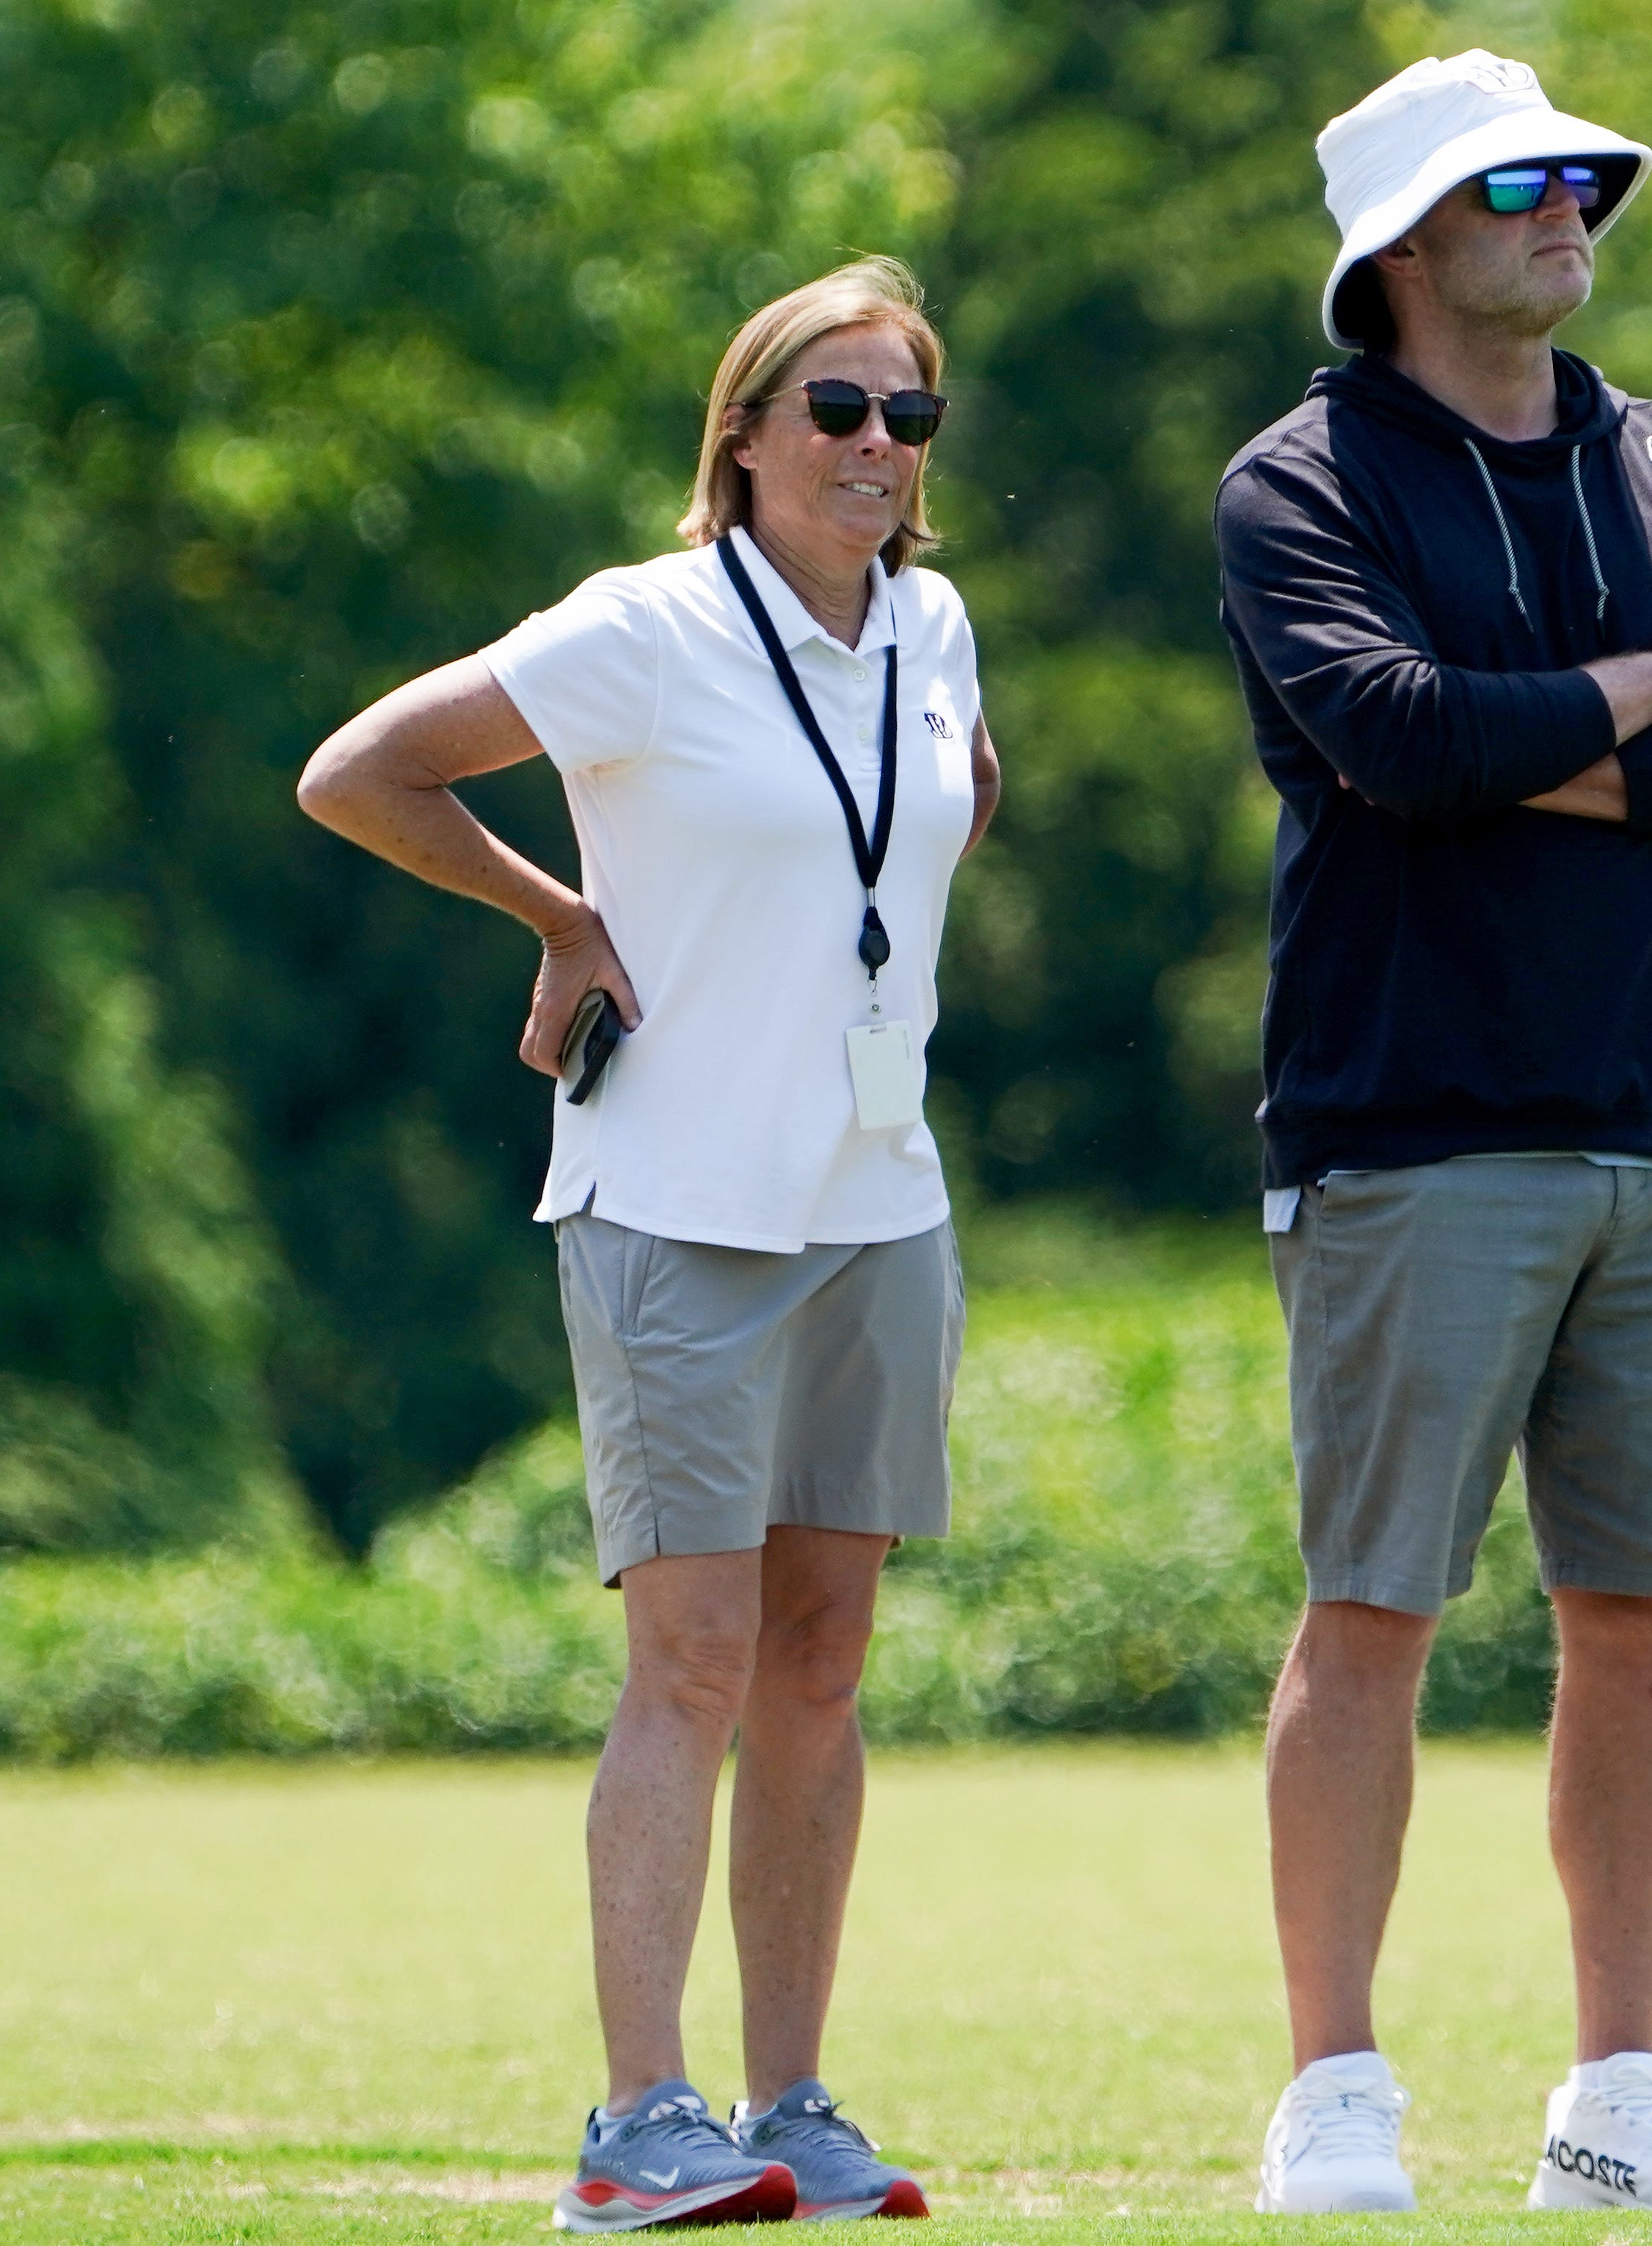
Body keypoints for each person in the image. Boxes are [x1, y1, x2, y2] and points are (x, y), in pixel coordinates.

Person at [297, 255, 994, 2231]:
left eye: (908, 416)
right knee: (687, 1661)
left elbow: (930, 818)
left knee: (823, 1663)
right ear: (747, 435)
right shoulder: (654, 625)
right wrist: (560, 916)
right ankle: (637, 2124)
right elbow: (360, 770)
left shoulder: (936, 628)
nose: (877, 446)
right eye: (839, 410)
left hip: (880, 1205)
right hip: (673, 1201)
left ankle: (794, 2105)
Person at [1213, 51, 1652, 2216]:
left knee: (1637, 1620)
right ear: (1399, 246)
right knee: (1372, 1606)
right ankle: (1336, 2092)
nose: (1569, 209)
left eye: (1582, 177)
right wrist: (1634, 697)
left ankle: (1622, 2096)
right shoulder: (1299, 483)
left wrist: (1537, 746)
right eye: (1515, 187)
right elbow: (1380, 731)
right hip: (1408, 1123)